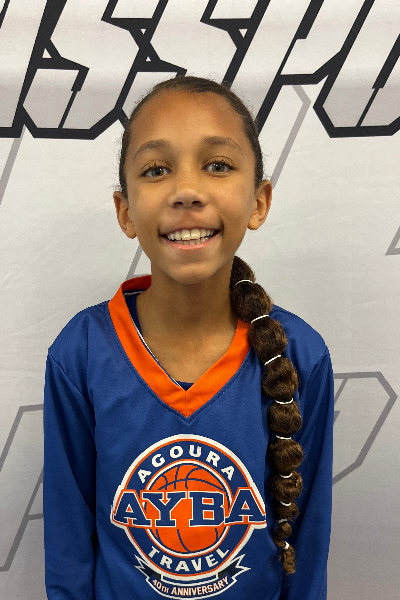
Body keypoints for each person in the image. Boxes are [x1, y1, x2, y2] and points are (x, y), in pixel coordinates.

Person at [43, 75, 334, 600]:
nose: (186, 192)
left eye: (217, 165)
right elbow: (68, 545)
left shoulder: (300, 354)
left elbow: (307, 549)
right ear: (126, 211)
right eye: (156, 170)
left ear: (259, 201)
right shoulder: (80, 353)